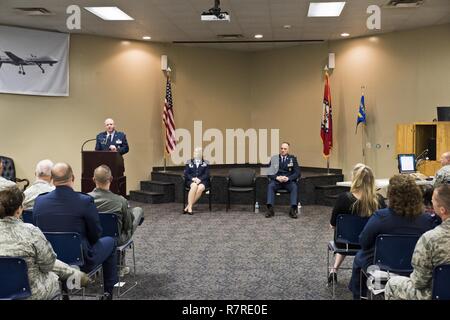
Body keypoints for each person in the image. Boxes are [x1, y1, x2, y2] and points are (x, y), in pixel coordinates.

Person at [33, 163, 118, 300]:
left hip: (51, 261)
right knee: (111, 242)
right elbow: (96, 234)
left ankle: (65, 293)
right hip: (81, 261)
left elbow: (39, 234)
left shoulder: (40, 201)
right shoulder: (84, 201)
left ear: (53, 180)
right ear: (73, 178)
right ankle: (108, 293)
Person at [348, 174, 436, 299]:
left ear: (391, 195)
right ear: (416, 195)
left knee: (360, 256)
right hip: (414, 269)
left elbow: (364, 241)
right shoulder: (428, 221)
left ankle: (359, 295)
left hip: (382, 268)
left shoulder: (380, 217)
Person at [0, 186, 89, 300]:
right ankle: (75, 274)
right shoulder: (31, 232)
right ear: (19, 209)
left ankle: (74, 273)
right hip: (31, 294)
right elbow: (48, 264)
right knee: (52, 275)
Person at [385, 184, 450, 300]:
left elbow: (419, 282)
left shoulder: (430, 238)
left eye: (433, 200)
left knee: (392, 284)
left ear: (442, 210)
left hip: (437, 294)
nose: (431, 202)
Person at [328, 163, 386, 284]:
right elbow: (383, 226)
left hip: (345, 243)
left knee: (345, 235)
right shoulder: (379, 200)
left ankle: (334, 269)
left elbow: (333, 225)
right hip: (371, 244)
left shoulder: (344, 198)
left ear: (355, 180)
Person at [89, 165, 144, 275]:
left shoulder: (85, 200)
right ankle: (119, 268)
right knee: (137, 210)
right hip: (115, 239)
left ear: (93, 179)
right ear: (111, 179)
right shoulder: (120, 200)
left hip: (92, 238)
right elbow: (128, 226)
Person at [266, 142, 301, 219]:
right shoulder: (274, 158)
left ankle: (293, 210)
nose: (283, 150)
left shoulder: (293, 159)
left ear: (288, 150)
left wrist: (289, 178)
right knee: (270, 186)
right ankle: (270, 209)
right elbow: (269, 172)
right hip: (277, 181)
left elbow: (297, 173)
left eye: (285, 149)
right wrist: (277, 177)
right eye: (281, 148)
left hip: (288, 181)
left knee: (294, 187)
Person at [183, 147, 210, 215]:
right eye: (194, 152)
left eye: (197, 152)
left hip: (202, 181)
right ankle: (190, 207)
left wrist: (200, 179)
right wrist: (193, 179)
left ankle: (188, 207)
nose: (195, 153)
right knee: (194, 186)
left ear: (200, 154)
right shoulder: (189, 162)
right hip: (191, 180)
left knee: (200, 188)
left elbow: (207, 174)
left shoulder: (206, 162)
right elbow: (186, 173)